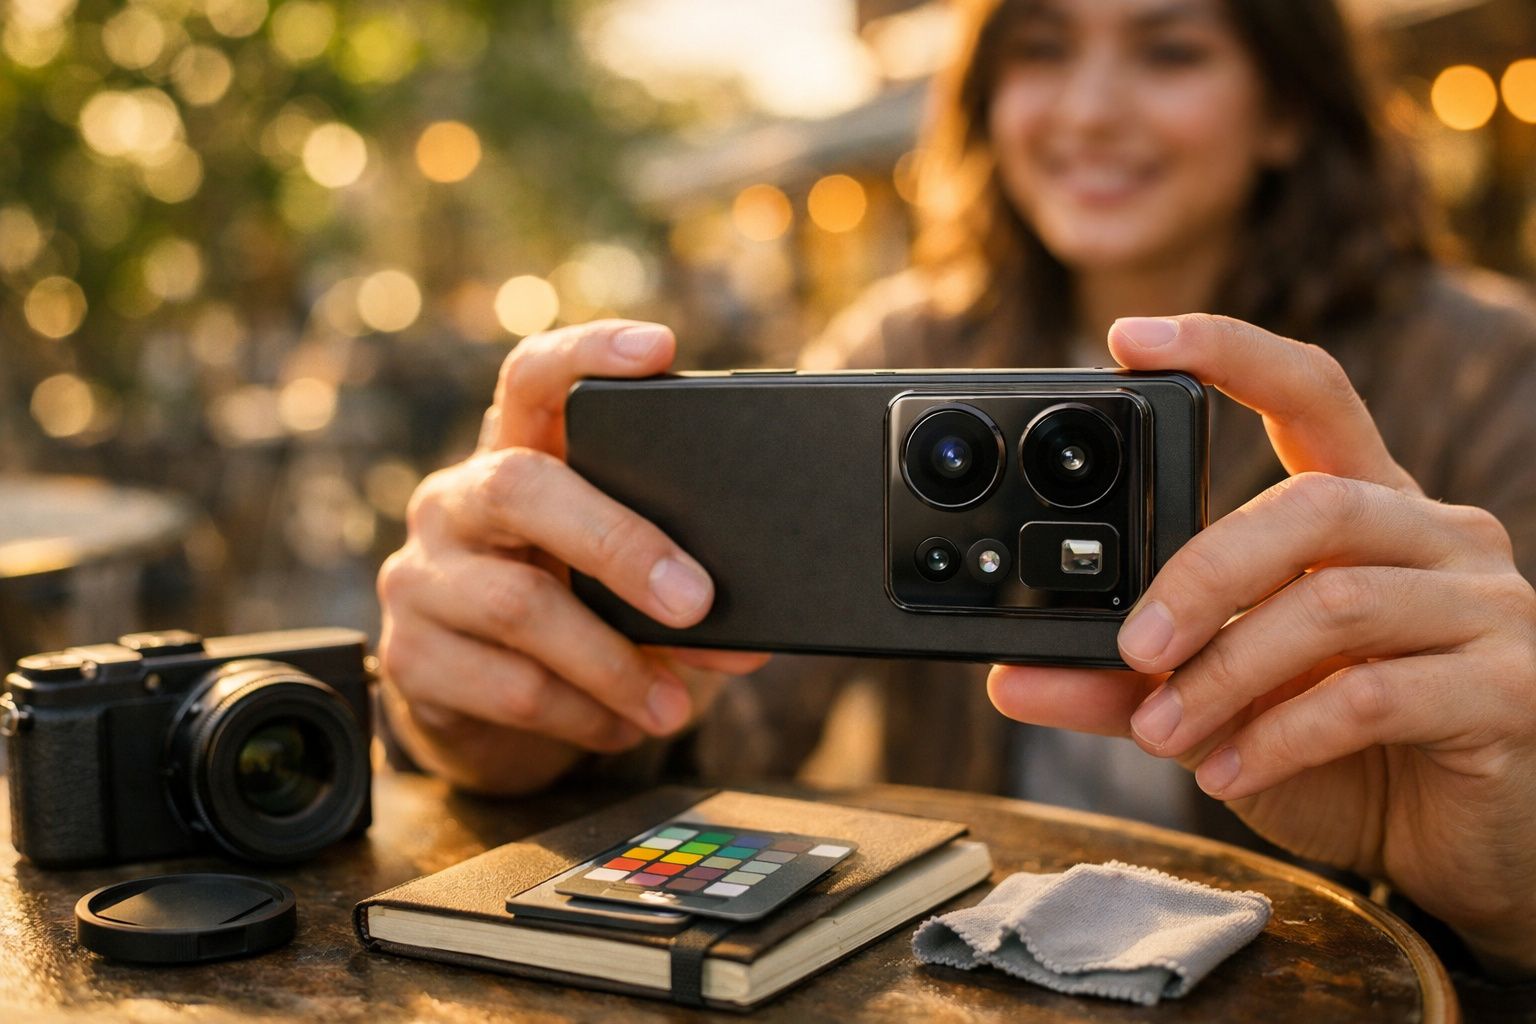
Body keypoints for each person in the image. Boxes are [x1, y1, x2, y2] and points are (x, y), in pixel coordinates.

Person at [375, 0, 1536, 997]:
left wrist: (1511, 882)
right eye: (1038, 47)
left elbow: (1502, 822)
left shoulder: (1488, 369)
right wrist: (517, 708)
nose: (1087, 109)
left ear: (1287, 104)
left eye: (1170, 49)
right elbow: (722, 721)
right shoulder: (907, 343)